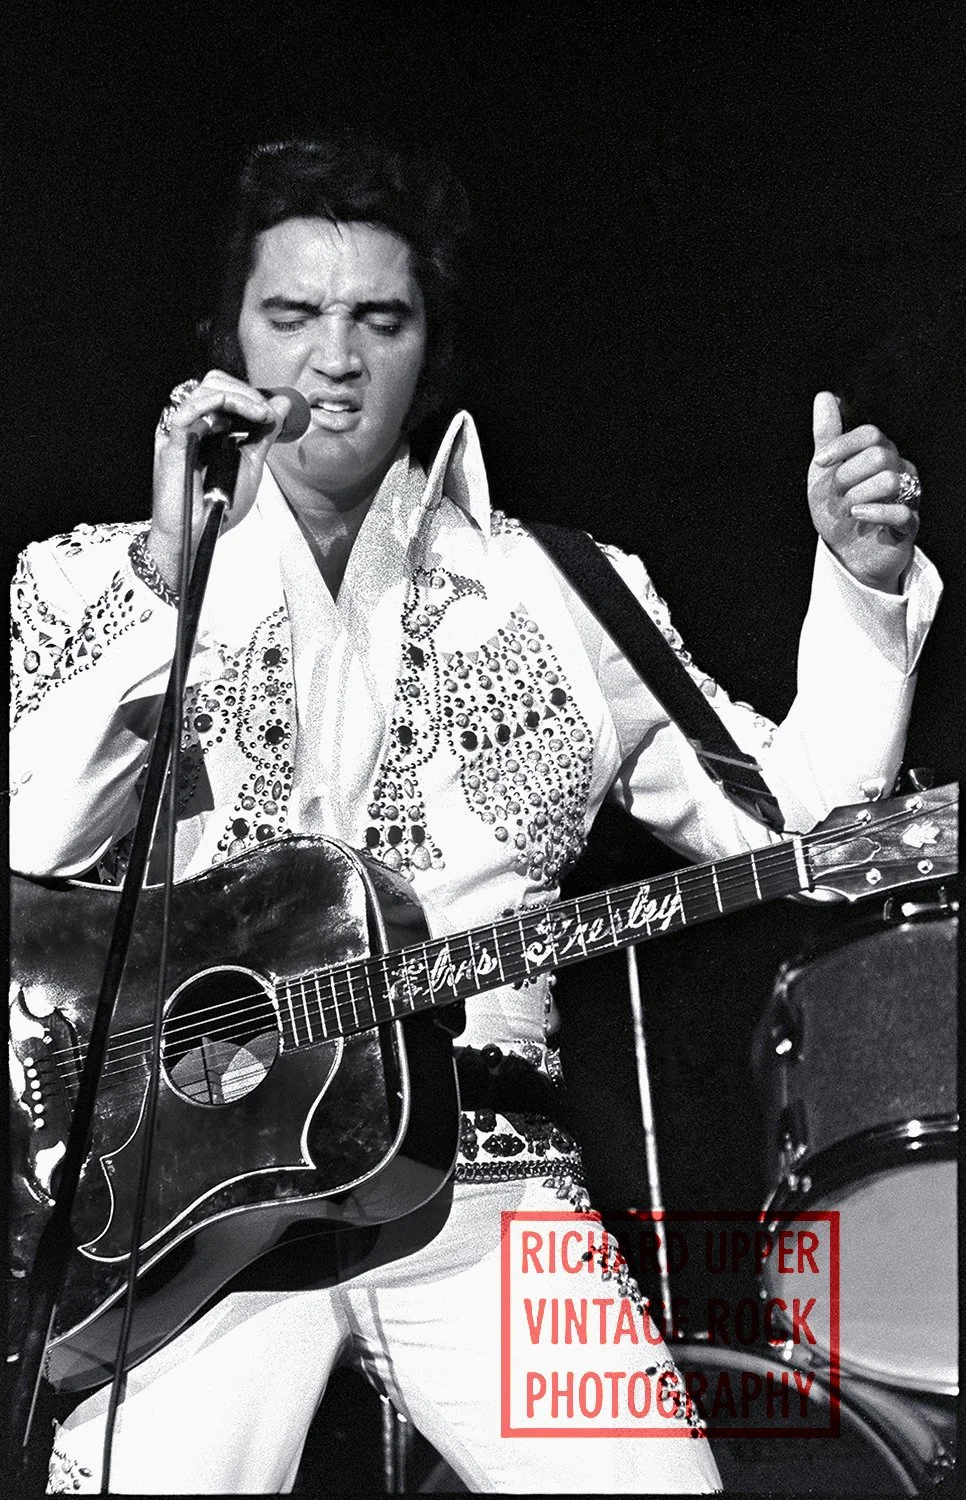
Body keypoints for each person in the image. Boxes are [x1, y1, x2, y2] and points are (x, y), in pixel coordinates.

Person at [9, 135, 940, 1494]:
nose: (334, 359)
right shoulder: (93, 578)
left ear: (425, 347)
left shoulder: (564, 590)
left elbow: (799, 829)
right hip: (181, 1206)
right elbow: (31, 853)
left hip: (480, 1186)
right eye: (292, 318)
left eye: (377, 319)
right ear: (223, 347)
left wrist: (858, 589)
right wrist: (169, 572)